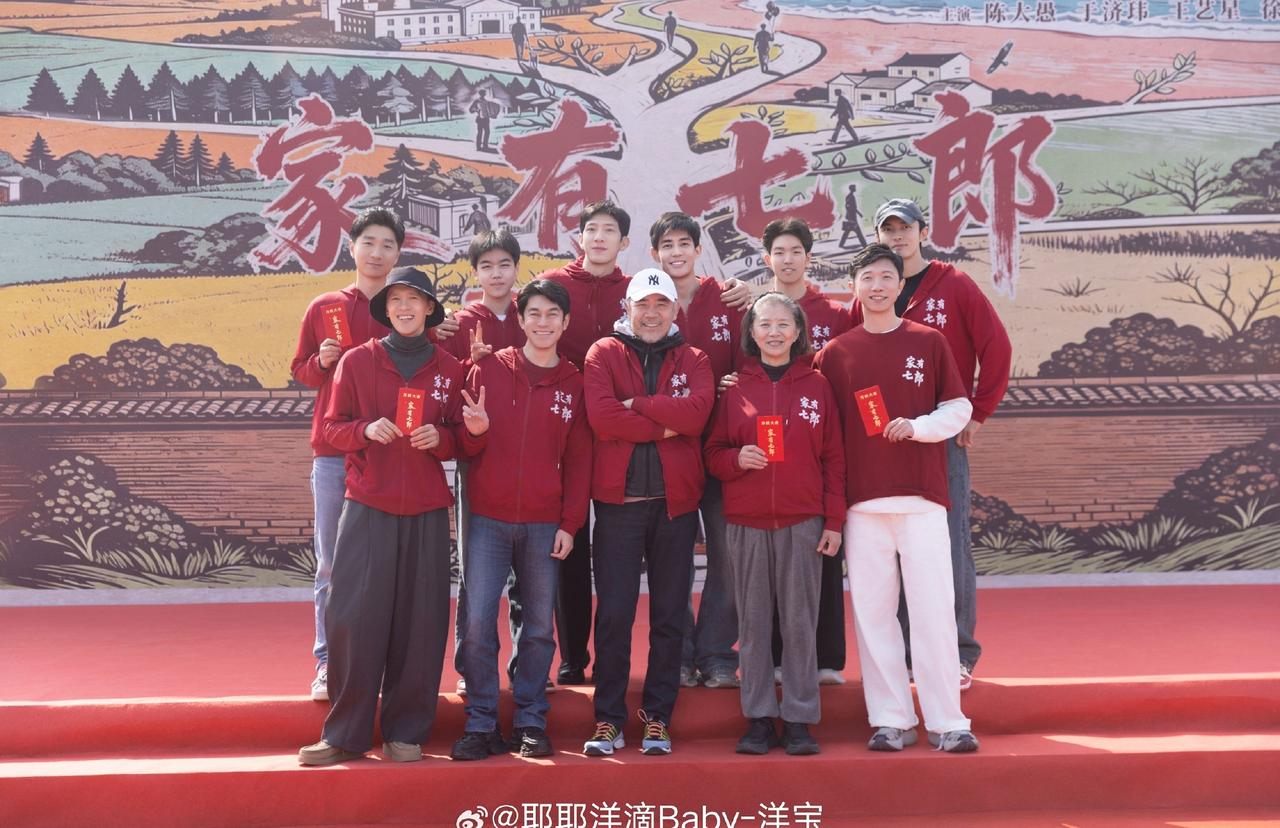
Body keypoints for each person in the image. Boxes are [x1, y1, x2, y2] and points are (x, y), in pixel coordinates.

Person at [299, 266, 488, 766]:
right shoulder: (358, 361)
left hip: (426, 509)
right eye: (396, 300)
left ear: (430, 309)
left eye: (415, 300)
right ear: (386, 310)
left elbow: (464, 439)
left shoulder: (449, 368)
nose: (405, 308)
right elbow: (332, 429)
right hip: (367, 504)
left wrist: (443, 439)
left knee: (420, 622)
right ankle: (344, 733)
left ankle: (406, 732)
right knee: (353, 618)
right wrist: (364, 430)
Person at [815, 243, 978, 754]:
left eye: (887, 276)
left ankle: (948, 721)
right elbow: (823, 431)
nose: (878, 286)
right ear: (854, 287)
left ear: (899, 285)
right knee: (874, 615)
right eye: (868, 277)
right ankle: (891, 719)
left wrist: (919, 427)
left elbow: (958, 408)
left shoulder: (928, 341)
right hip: (863, 505)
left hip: (922, 499)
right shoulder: (835, 353)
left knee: (933, 611)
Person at [853, 198, 1012, 691]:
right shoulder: (872, 291)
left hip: (940, 437)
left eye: (905, 228)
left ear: (923, 232)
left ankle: (957, 652)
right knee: (894, 550)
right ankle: (906, 654)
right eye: (888, 229)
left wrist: (977, 413)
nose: (897, 237)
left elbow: (997, 348)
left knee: (949, 544)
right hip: (885, 444)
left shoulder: (954, 285)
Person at [451, 279, 591, 761]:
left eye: (552, 314)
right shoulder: (489, 368)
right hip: (486, 520)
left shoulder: (574, 383)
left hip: (543, 523)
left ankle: (531, 720)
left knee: (537, 627)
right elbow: (461, 442)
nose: (543, 322)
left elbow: (580, 461)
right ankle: (481, 721)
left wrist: (570, 524)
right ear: (521, 319)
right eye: (534, 313)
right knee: (477, 622)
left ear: (565, 322)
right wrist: (474, 433)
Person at [704, 292, 845, 756]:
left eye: (784, 324)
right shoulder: (735, 388)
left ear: (798, 331)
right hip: (746, 522)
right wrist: (735, 459)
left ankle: (800, 719)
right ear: (751, 331)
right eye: (765, 324)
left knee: (801, 623)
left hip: (803, 520)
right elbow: (712, 453)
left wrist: (833, 520)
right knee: (754, 622)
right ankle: (760, 717)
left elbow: (833, 457)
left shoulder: (817, 385)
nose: (774, 332)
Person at [581, 268, 714, 757]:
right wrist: (664, 425)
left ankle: (658, 718)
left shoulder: (694, 358)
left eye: (661, 305)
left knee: (669, 615)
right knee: (614, 615)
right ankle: (608, 720)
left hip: (676, 508)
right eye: (643, 305)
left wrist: (637, 403)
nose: (652, 314)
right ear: (628, 309)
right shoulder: (603, 353)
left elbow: (697, 415)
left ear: (675, 310)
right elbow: (603, 417)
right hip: (619, 507)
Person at [290, 207, 400, 701]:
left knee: (386, 565)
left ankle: (381, 665)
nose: (377, 253)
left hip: (392, 452)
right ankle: (327, 662)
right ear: (352, 247)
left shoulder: (405, 306)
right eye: (368, 243)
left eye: (387, 245)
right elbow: (301, 371)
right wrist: (321, 361)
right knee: (332, 564)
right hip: (335, 451)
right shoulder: (325, 307)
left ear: (398, 253)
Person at [539, 200, 633, 688]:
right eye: (591, 229)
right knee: (568, 545)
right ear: (579, 238)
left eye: (609, 230)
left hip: (620, 435)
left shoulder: (635, 292)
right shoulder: (554, 285)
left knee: (615, 551)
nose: (599, 237)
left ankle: (614, 657)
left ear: (624, 242)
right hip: (562, 430)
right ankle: (572, 655)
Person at [649, 211, 745, 691]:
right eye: (667, 245)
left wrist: (736, 383)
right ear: (655, 254)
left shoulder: (728, 298)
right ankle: (680, 655)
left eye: (684, 243)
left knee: (728, 556)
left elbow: (757, 361)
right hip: (673, 452)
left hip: (724, 449)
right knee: (675, 561)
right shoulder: (649, 305)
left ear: (697, 249)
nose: (676, 252)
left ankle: (718, 654)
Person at [760, 217, 850, 685]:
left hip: (820, 439)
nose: (788, 259)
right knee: (774, 561)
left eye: (796, 251)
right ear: (767, 259)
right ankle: (775, 658)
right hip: (770, 449)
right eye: (779, 251)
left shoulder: (832, 312)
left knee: (821, 551)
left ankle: (826, 658)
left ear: (809, 258)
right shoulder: (756, 310)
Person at [440, 230, 528, 697]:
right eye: (487, 266)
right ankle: (470, 667)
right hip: (478, 461)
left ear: (517, 268)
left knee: (528, 576)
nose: (496, 274)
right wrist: (469, 365)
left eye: (504, 265)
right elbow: (445, 390)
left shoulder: (531, 314)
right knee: (477, 573)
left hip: (530, 461)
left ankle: (526, 667)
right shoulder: (460, 323)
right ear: (475, 273)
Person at [839, 184, 867, 248]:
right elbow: (848, 206)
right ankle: (864, 245)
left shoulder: (851, 196)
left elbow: (852, 207)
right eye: (854, 188)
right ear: (852, 189)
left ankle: (841, 244)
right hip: (852, 218)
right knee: (858, 232)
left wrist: (859, 213)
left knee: (847, 231)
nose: (855, 188)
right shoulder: (850, 197)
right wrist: (851, 217)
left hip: (852, 217)